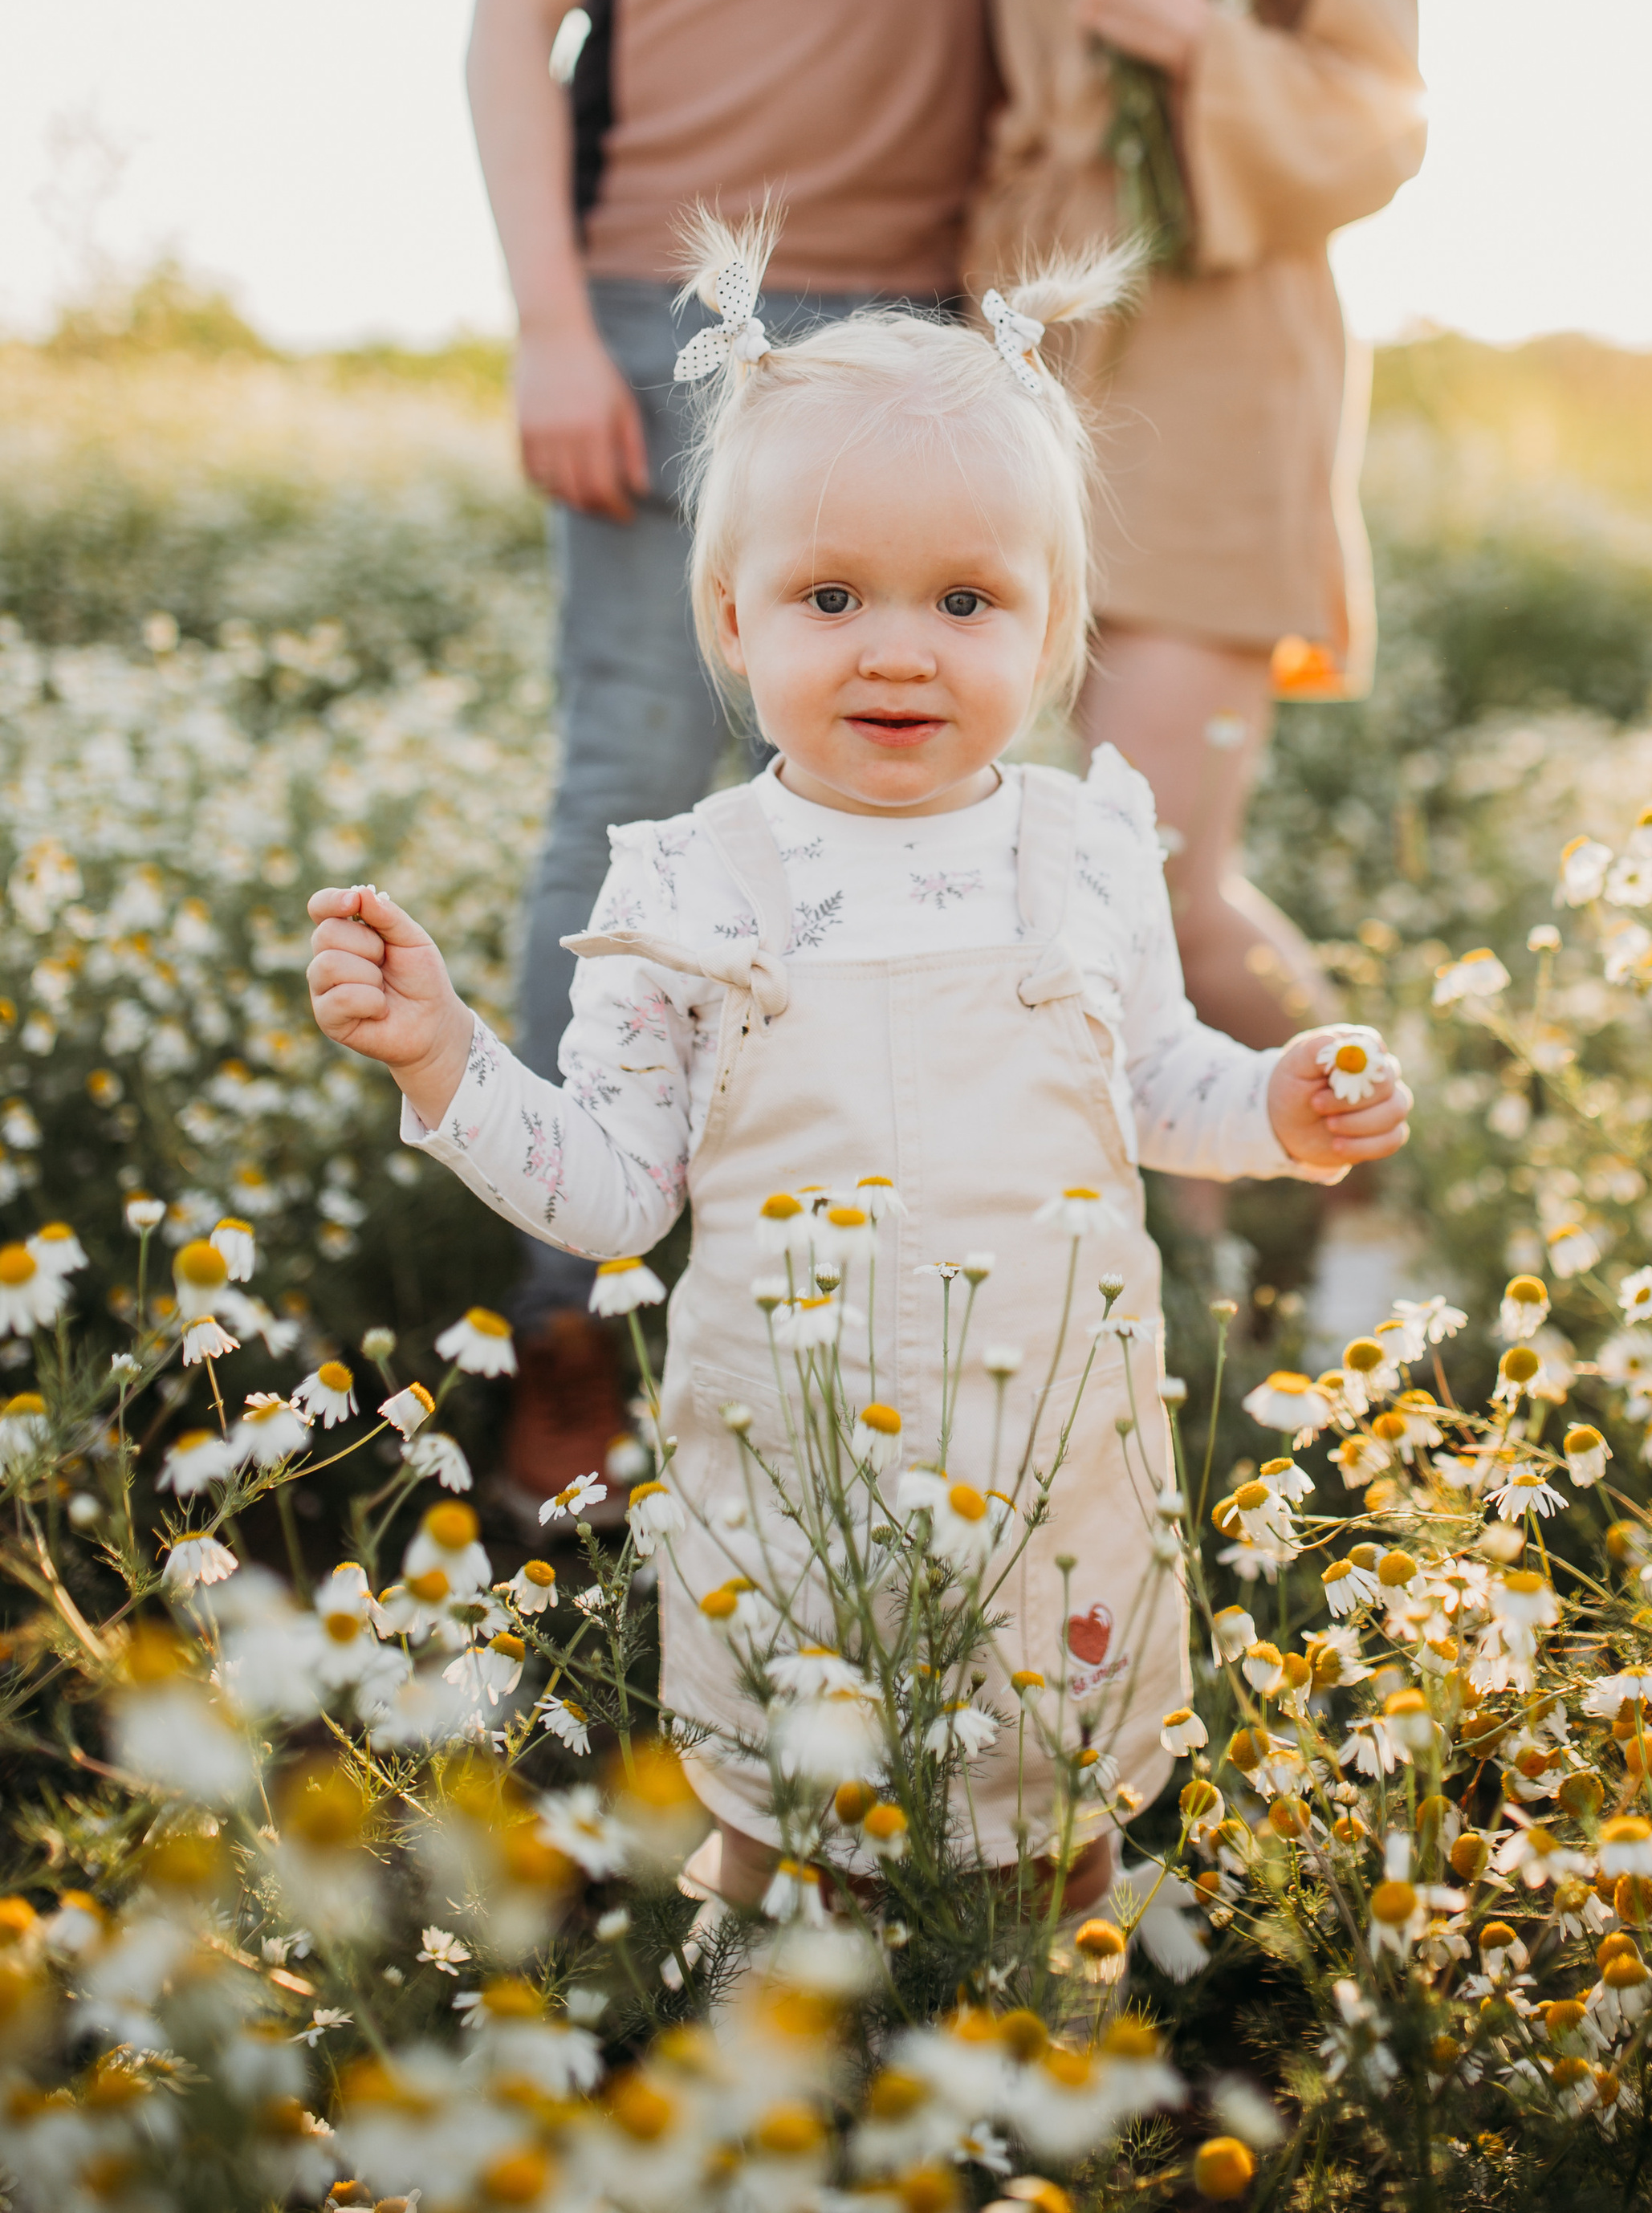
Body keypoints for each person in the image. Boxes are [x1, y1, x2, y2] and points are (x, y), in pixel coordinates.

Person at [303, 217, 1414, 1908]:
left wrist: (1272, 1106)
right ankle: (792, 2045)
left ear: (1050, 634)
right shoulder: (687, 886)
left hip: (1051, 1450)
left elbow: (1152, 1085)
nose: (898, 647)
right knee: (789, 1812)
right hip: (790, 1452)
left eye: (966, 601)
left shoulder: (1085, 854)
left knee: (1055, 1803)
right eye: (833, 597)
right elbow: (612, 1195)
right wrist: (450, 1055)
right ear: (734, 619)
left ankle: (1048, 2035)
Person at [465, 0, 1019, 1499]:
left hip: (922, 343)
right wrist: (547, 329)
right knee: (636, 781)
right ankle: (561, 1333)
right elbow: (509, 31)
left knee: (911, 807)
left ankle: (870, 1315)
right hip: (662, 312)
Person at [969, 0, 1428, 1080]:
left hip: (1220, 362)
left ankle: (1380, 1188)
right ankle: (1208, 1247)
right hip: (1039, 345)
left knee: (1155, 879)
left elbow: (1380, 115)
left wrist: (1197, 40)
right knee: (1054, 884)